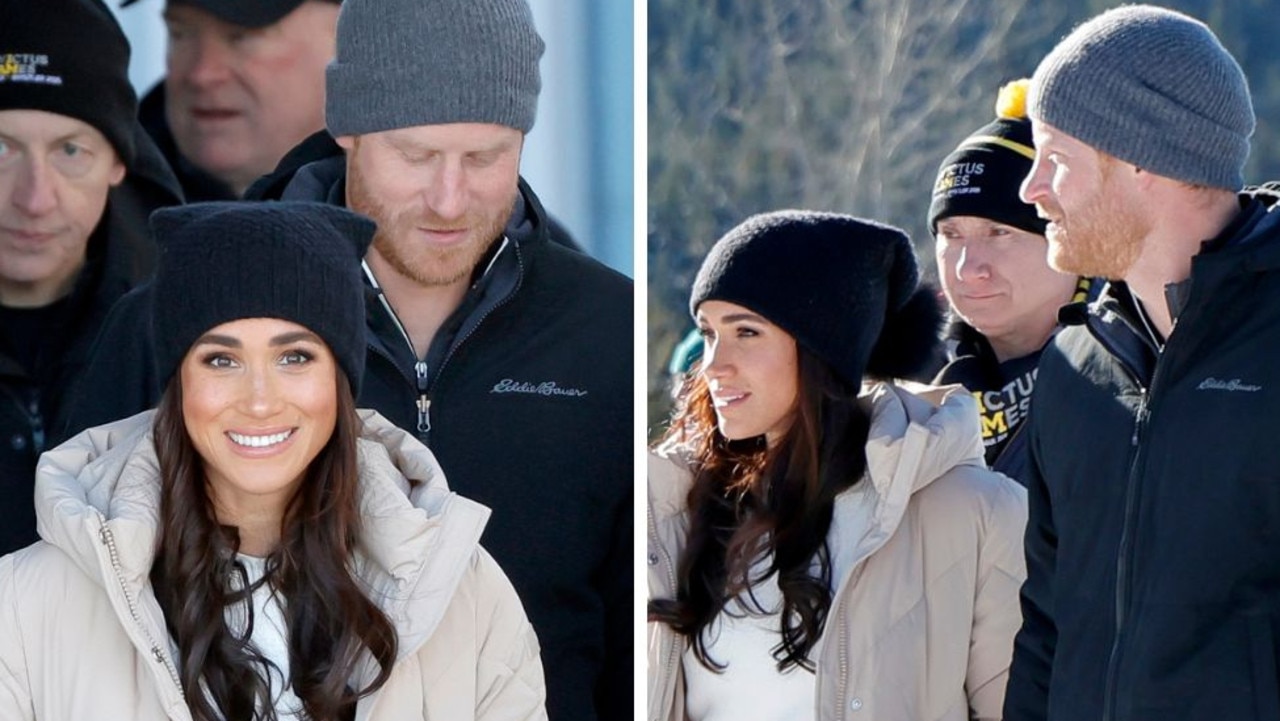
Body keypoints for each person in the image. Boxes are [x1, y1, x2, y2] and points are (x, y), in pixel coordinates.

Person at [68, 2, 633, 719]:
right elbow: (76, 615)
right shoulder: (174, 326)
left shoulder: (604, 331)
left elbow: (634, 649)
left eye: (485, 156)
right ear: (347, 129)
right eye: (417, 156)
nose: (449, 198)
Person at [0, 200, 546, 720]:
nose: (260, 400)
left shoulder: (464, 592)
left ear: (340, 382)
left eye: (294, 357)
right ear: (178, 384)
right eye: (221, 359)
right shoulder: (26, 605)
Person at [1001, 6, 1280, 720]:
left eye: (1055, 160)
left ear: (1144, 161)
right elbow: (1046, 629)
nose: (1032, 190)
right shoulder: (1072, 367)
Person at [648, 210, 1027, 720]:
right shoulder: (674, 512)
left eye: (747, 333)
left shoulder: (974, 512)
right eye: (709, 333)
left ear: (824, 348)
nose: (715, 365)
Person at [0, 0, 183, 555]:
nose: (34, 198)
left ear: (118, 162)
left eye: (70, 151)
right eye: (1, 149)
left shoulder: (186, 335)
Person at [928, 78, 1091, 483]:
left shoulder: (1129, 376)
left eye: (999, 233)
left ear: (1065, 238)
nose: (968, 267)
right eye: (951, 234)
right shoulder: (908, 387)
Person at [119, 0, 342, 201]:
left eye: (242, 36)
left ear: (350, 39)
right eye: (180, 33)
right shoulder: (95, 211)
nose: (202, 74)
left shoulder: (373, 230)